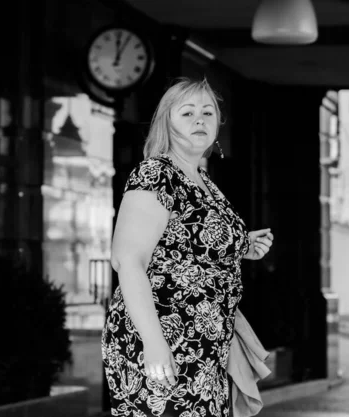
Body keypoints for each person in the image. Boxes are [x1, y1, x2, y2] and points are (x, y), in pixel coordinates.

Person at [101, 77, 274, 417]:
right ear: (166, 122)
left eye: (208, 113)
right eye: (188, 113)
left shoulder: (203, 179)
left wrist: (241, 244)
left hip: (205, 348)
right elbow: (127, 259)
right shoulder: (155, 174)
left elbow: (189, 245)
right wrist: (153, 344)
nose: (200, 120)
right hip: (162, 340)